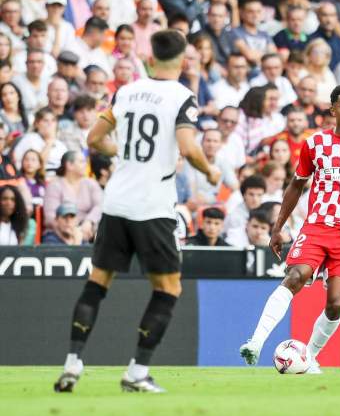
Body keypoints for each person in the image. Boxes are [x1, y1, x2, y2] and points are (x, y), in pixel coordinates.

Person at [53, 30, 221, 394]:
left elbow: (94, 139)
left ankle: (72, 361)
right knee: (168, 288)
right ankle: (137, 371)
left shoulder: (127, 91)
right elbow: (189, 148)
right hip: (152, 206)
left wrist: (126, 154)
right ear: (183, 59)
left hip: (116, 201)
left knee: (98, 282)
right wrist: (210, 171)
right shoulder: (182, 96)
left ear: (150, 58)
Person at [239, 84, 340, 373]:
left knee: (336, 301)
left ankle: (308, 356)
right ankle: (255, 342)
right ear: (332, 109)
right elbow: (295, 187)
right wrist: (278, 228)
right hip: (318, 226)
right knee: (296, 276)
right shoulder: (315, 144)